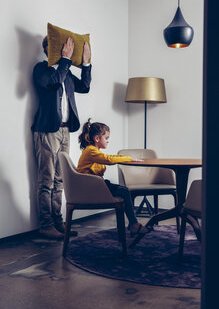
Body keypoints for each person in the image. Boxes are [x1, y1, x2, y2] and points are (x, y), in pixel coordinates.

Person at [32, 36, 92, 239]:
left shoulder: (65, 73)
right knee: (46, 180)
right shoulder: (41, 70)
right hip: (48, 130)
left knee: (60, 179)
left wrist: (86, 63)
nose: (63, 50)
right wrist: (65, 61)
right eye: (59, 47)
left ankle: (58, 223)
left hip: (66, 130)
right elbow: (53, 82)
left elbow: (84, 86)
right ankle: (45, 224)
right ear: (47, 48)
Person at [77, 119, 148, 236]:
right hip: (90, 188)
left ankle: (132, 224)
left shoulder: (94, 151)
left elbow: (109, 157)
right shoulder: (90, 151)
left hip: (95, 185)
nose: (108, 141)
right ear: (97, 138)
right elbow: (109, 160)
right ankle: (133, 224)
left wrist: (126, 157)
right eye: (106, 138)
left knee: (124, 191)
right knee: (124, 191)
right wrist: (130, 158)